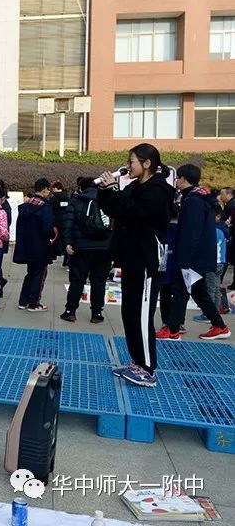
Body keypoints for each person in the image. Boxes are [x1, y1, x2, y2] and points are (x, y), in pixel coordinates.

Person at [98, 143, 175, 387]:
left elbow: (130, 211)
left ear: (147, 163)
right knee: (129, 312)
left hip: (146, 261)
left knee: (142, 315)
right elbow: (114, 207)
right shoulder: (134, 187)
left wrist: (113, 190)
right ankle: (136, 362)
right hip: (131, 259)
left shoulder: (158, 190)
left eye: (132, 162)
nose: (128, 166)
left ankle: (148, 369)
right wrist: (104, 189)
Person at [159, 164, 230, 341]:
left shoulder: (193, 201)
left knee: (180, 291)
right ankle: (220, 326)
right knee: (199, 292)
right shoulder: (200, 197)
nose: (176, 181)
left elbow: (191, 233)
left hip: (191, 258)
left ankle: (173, 330)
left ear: (182, 179)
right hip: (199, 257)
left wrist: (184, 260)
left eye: (178, 178)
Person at [60, 177, 112, 324]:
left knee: (77, 279)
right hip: (104, 247)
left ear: (81, 187)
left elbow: (68, 223)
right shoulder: (107, 200)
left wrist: (68, 243)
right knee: (99, 281)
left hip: (81, 246)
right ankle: (97, 313)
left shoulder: (76, 201)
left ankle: (70, 311)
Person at [13, 179, 55, 312]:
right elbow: (48, 228)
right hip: (41, 246)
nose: (49, 193)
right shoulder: (45, 207)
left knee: (30, 273)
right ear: (44, 190)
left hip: (26, 246)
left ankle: (23, 301)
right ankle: (34, 303)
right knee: (39, 274)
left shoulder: (25, 207)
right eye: (48, 190)